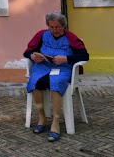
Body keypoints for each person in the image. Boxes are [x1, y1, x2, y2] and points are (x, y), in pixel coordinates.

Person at [23, 11, 89, 142]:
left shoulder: (71, 37)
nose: (54, 30)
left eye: (57, 27)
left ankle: (55, 121)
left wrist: (66, 58)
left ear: (63, 26)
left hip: (62, 68)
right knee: (34, 81)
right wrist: (32, 56)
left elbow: (84, 56)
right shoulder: (42, 35)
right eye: (51, 27)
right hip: (43, 67)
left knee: (56, 82)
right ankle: (42, 118)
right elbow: (28, 51)